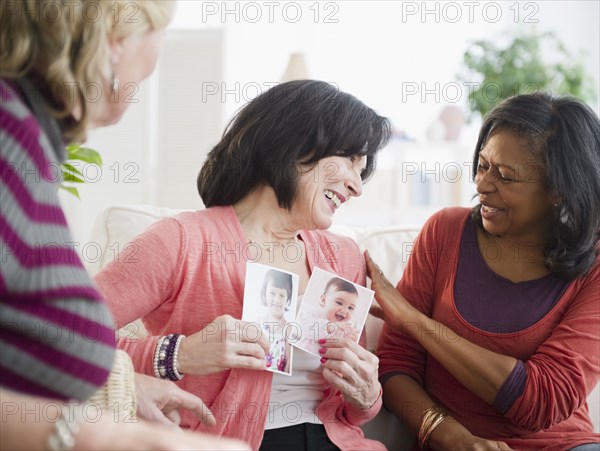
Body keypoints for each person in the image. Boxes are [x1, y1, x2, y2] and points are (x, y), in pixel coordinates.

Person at [0, 1, 247, 449]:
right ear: (114, 42)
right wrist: (99, 437)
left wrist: (126, 388)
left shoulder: (25, 138)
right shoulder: (8, 134)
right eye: (160, 33)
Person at [94, 79, 392, 450]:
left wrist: (366, 395)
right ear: (296, 144)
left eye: (362, 169)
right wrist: (179, 354)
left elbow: (351, 413)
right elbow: (53, 336)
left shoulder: (343, 256)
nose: (357, 186)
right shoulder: (181, 240)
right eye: (350, 160)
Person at [366, 92, 600, 450]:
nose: (481, 186)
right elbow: (397, 364)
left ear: (559, 192)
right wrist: (449, 435)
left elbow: (543, 400)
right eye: (483, 165)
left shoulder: (593, 268)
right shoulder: (445, 233)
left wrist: (416, 322)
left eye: (505, 177)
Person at [296, 277, 359, 356]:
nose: (344, 310)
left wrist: (352, 340)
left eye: (350, 308)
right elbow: (306, 329)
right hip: (302, 355)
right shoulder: (314, 314)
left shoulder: (344, 329)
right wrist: (329, 327)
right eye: (339, 303)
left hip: (324, 363)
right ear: (323, 300)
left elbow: (343, 350)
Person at [253, 269, 294, 374]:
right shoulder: (258, 322)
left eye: (282, 295)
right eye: (272, 293)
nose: (276, 300)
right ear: (265, 293)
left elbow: (289, 363)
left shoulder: (288, 329)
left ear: (288, 298)